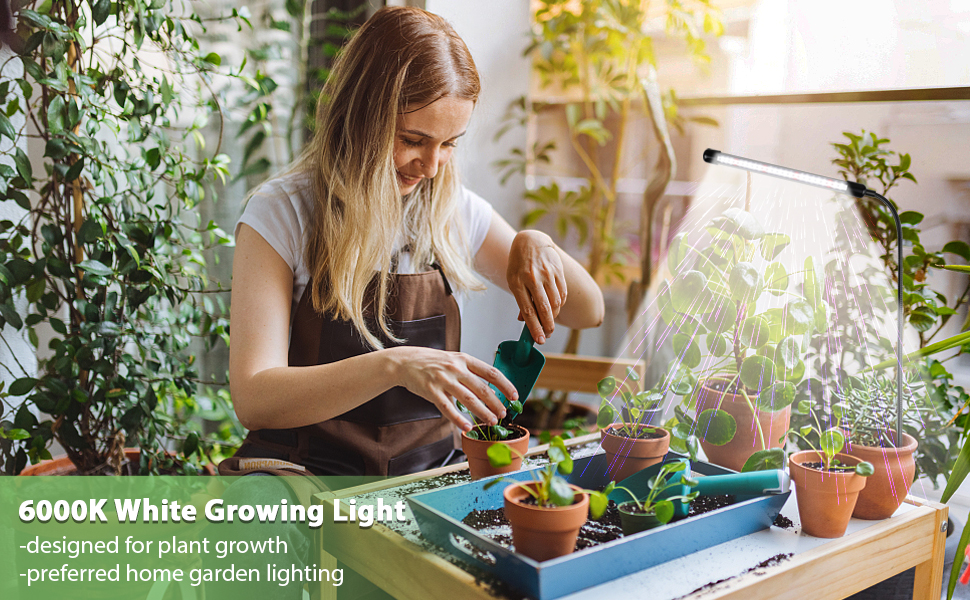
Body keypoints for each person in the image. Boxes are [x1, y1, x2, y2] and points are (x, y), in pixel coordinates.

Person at [226, 5, 604, 480]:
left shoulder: (451, 210)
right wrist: (396, 366)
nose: (430, 166)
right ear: (361, 116)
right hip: (302, 472)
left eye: (449, 144)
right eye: (413, 139)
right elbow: (255, 399)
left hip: (424, 477)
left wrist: (536, 242)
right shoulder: (282, 212)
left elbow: (586, 310)